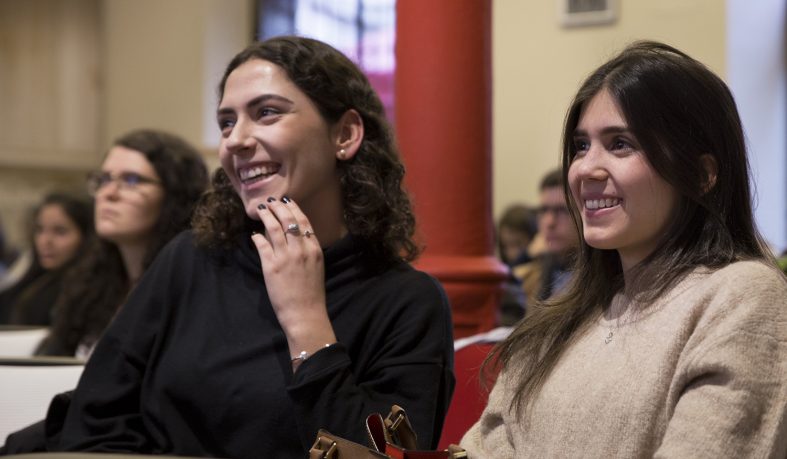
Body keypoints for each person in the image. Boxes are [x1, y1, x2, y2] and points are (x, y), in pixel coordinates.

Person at [49, 36, 454, 458]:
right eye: (227, 122)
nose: (235, 140)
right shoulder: (189, 260)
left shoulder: (408, 302)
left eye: (266, 113)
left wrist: (306, 322)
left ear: (346, 135)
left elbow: (382, 455)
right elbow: (93, 421)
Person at [461, 41, 787, 457]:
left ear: (702, 174)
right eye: (581, 146)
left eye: (620, 144)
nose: (585, 170)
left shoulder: (743, 297)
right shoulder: (562, 319)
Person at [36, 129, 209, 358]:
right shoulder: (89, 284)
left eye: (131, 180)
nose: (109, 193)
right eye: (104, 179)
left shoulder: (192, 289)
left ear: (174, 196)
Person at [0, 192, 93, 325]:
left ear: (86, 237)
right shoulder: (32, 279)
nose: (45, 241)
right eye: (39, 230)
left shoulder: (89, 292)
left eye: (60, 231)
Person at [511, 169, 579, 307]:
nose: (550, 222)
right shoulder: (536, 275)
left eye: (562, 210)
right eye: (544, 210)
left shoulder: (599, 278)